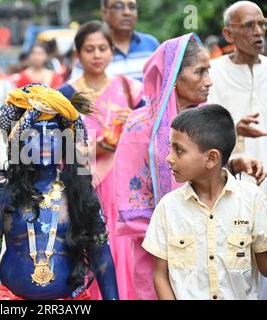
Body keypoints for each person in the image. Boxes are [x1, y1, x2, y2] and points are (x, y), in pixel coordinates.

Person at [115, 33, 266, 300]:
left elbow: (207, 165)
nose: (209, 81)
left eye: (209, 71)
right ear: (173, 77)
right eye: (200, 72)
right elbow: (130, 198)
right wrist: (176, 228)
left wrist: (233, 163)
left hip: (217, 240)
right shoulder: (141, 127)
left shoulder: (207, 115)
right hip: (157, 251)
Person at [0, 83, 119, 300]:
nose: (45, 142)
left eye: (53, 134)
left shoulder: (79, 193)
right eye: (33, 135)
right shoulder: (2, 196)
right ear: (19, 143)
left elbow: (101, 255)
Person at [143, 105, 267, 300]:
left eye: (179, 150)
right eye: (170, 147)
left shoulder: (252, 200)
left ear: (211, 158)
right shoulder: (168, 208)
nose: (169, 158)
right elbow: (160, 274)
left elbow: (264, 266)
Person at [59, 20, 145, 300]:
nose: (97, 55)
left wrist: (131, 123)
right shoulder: (66, 95)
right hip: (83, 183)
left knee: (124, 247)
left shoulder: (131, 89)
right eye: (89, 49)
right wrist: (96, 145)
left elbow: (148, 133)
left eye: (103, 48)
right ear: (78, 55)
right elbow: (57, 146)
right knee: (88, 249)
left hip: (124, 184)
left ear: (111, 51)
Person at [207, 1, 267, 298]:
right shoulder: (212, 73)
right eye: (248, 26)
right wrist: (233, 129)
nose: (259, 32)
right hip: (233, 187)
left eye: (261, 24)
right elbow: (203, 131)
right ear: (228, 34)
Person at [70, 0, 159, 81]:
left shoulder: (152, 45)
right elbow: (78, 90)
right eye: (118, 6)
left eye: (131, 7)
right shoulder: (91, 51)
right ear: (104, 12)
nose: (127, 12)